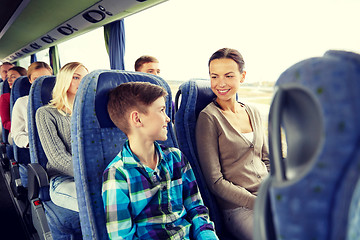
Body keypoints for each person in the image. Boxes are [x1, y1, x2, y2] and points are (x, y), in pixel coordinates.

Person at [102, 82, 218, 240]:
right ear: (137, 119)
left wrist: (207, 236)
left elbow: (197, 209)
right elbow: (121, 237)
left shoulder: (176, 158)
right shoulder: (118, 174)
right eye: (162, 110)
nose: (168, 118)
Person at [195, 48, 270, 240]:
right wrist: (257, 202)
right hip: (239, 208)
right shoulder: (209, 118)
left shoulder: (253, 111)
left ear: (242, 76)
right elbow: (215, 182)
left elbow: (266, 160)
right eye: (214, 76)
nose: (221, 83)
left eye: (228, 76)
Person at [36, 62, 88, 212]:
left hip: (95, 175)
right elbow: (58, 158)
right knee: (101, 205)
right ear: (64, 80)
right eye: (76, 77)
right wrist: (91, 173)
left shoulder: (90, 114)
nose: (82, 82)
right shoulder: (46, 113)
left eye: (85, 79)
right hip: (63, 179)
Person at [11, 61, 53, 148]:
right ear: (30, 80)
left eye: (45, 78)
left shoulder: (62, 100)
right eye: (36, 79)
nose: (41, 83)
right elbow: (17, 134)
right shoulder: (22, 102)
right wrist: (33, 144)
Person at [0, 66, 27, 136]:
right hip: (15, 132)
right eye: (8, 77)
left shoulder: (33, 94)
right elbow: (5, 123)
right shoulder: (5, 97)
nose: (9, 80)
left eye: (13, 77)